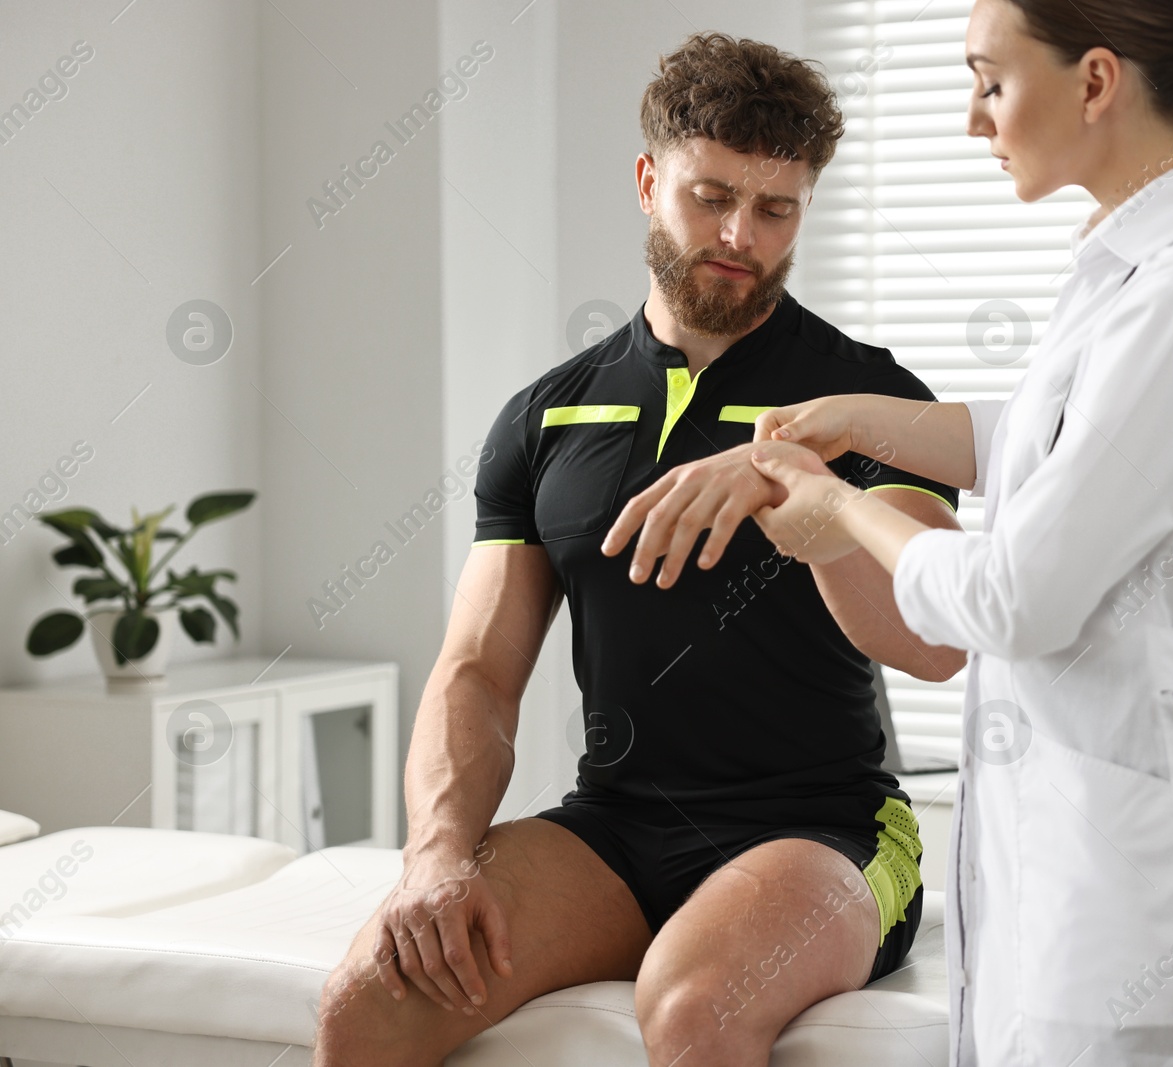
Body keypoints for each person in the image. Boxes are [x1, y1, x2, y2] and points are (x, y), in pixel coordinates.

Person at [606, 1, 1173, 1064]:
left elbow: (1011, 598)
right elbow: (1048, 443)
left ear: (1093, 83)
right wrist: (853, 419)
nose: (972, 120)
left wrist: (840, 510)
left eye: (990, 82)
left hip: (1152, 862)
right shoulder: (1134, 267)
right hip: (1089, 830)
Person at [312, 32, 967, 1067]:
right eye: (710, 196)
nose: (740, 234)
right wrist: (436, 853)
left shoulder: (865, 401)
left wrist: (808, 506)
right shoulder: (547, 415)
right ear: (647, 178)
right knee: (369, 998)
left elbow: (935, 643)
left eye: (775, 208)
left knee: (696, 1006)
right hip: (614, 825)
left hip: (821, 828)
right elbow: (479, 670)